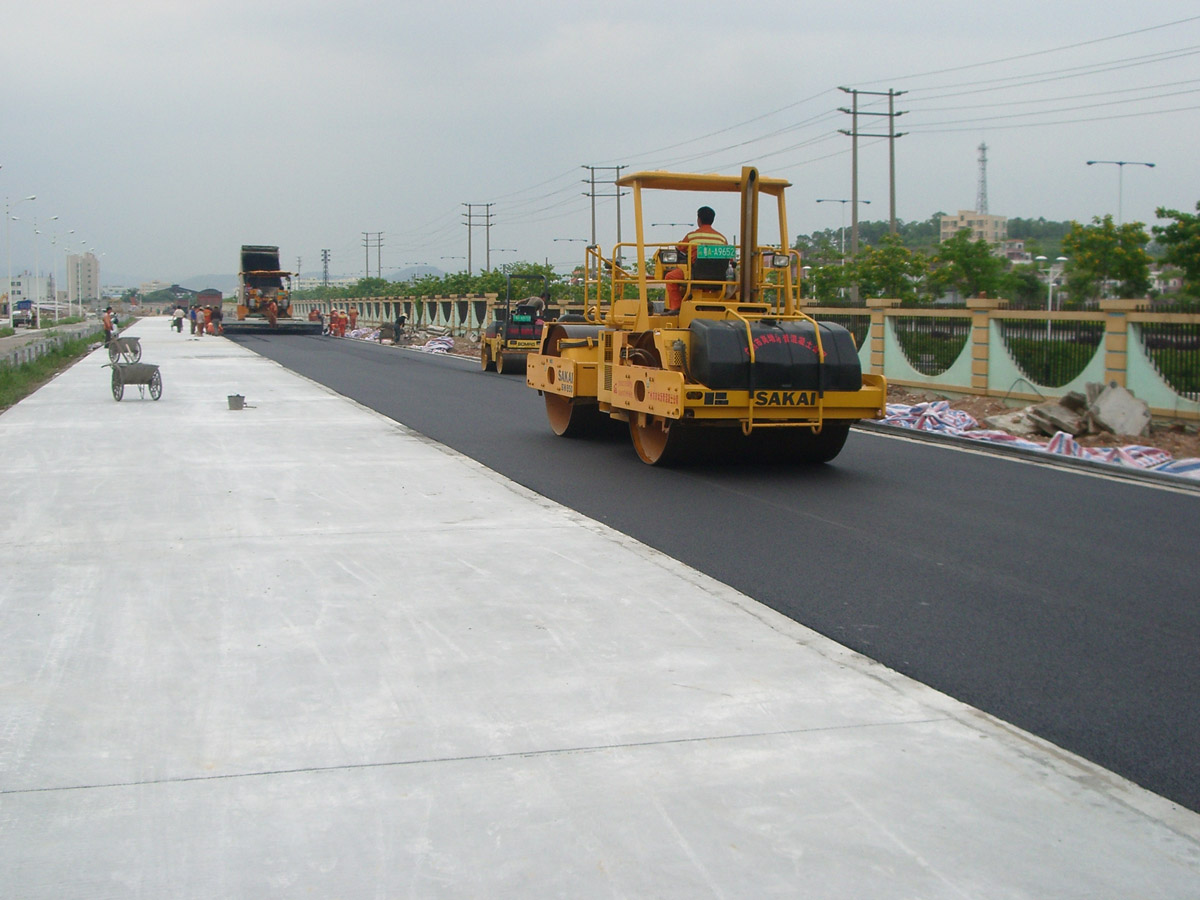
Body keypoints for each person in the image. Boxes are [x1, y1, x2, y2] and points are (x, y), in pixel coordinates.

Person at [664, 206, 728, 313]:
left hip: (696, 274)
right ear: (713, 219)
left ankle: (676, 308)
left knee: (670, 277)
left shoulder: (693, 236)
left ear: (699, 219)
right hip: (719, 278)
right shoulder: (721, 239)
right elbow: (728, 259)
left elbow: (681, 249)